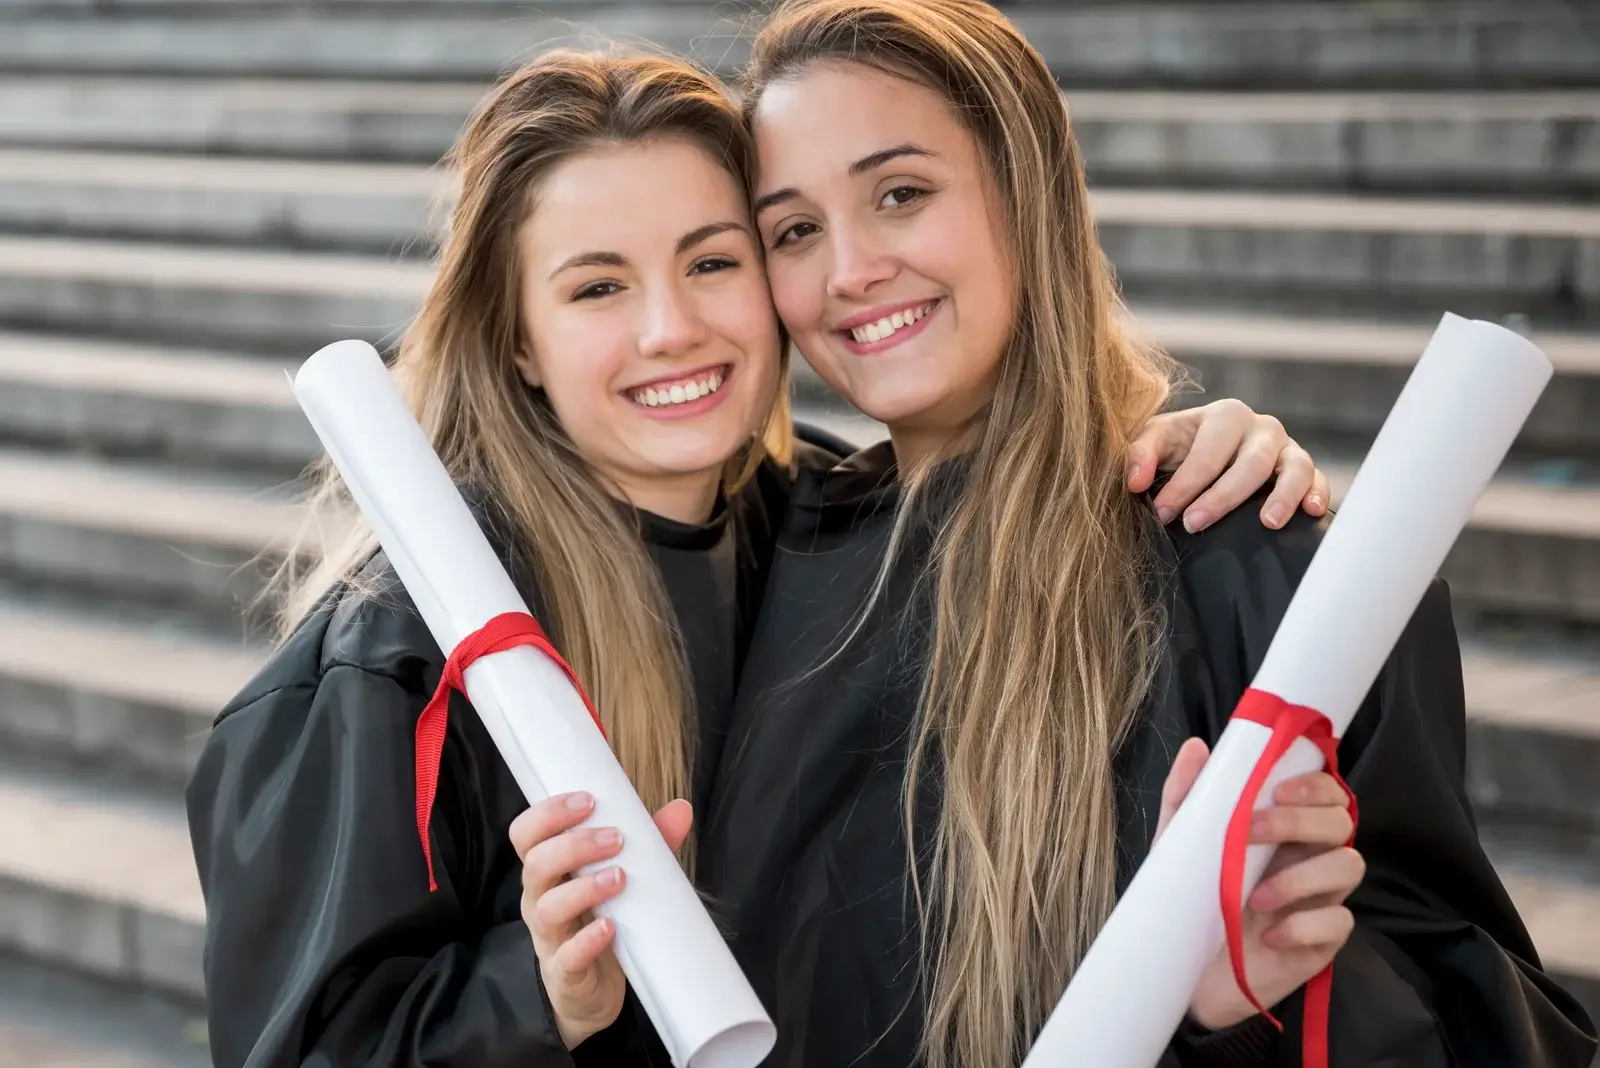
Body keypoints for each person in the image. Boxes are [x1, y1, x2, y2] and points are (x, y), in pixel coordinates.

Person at [182, 46, 1329, 1068]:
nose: (669, 328)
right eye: (596, 286)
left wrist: (1188, 435)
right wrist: (536, 994)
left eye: (715, 260)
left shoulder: (838, 539)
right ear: (517, 344)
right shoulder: (392, 672)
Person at [534, 2, 1596, 1067]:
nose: (850, 268)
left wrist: (1255, 1006)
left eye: (900, 194)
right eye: (794, 230)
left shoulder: (1258, 569)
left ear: (1023, 190)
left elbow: (1495, 1027)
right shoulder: (766, 550)